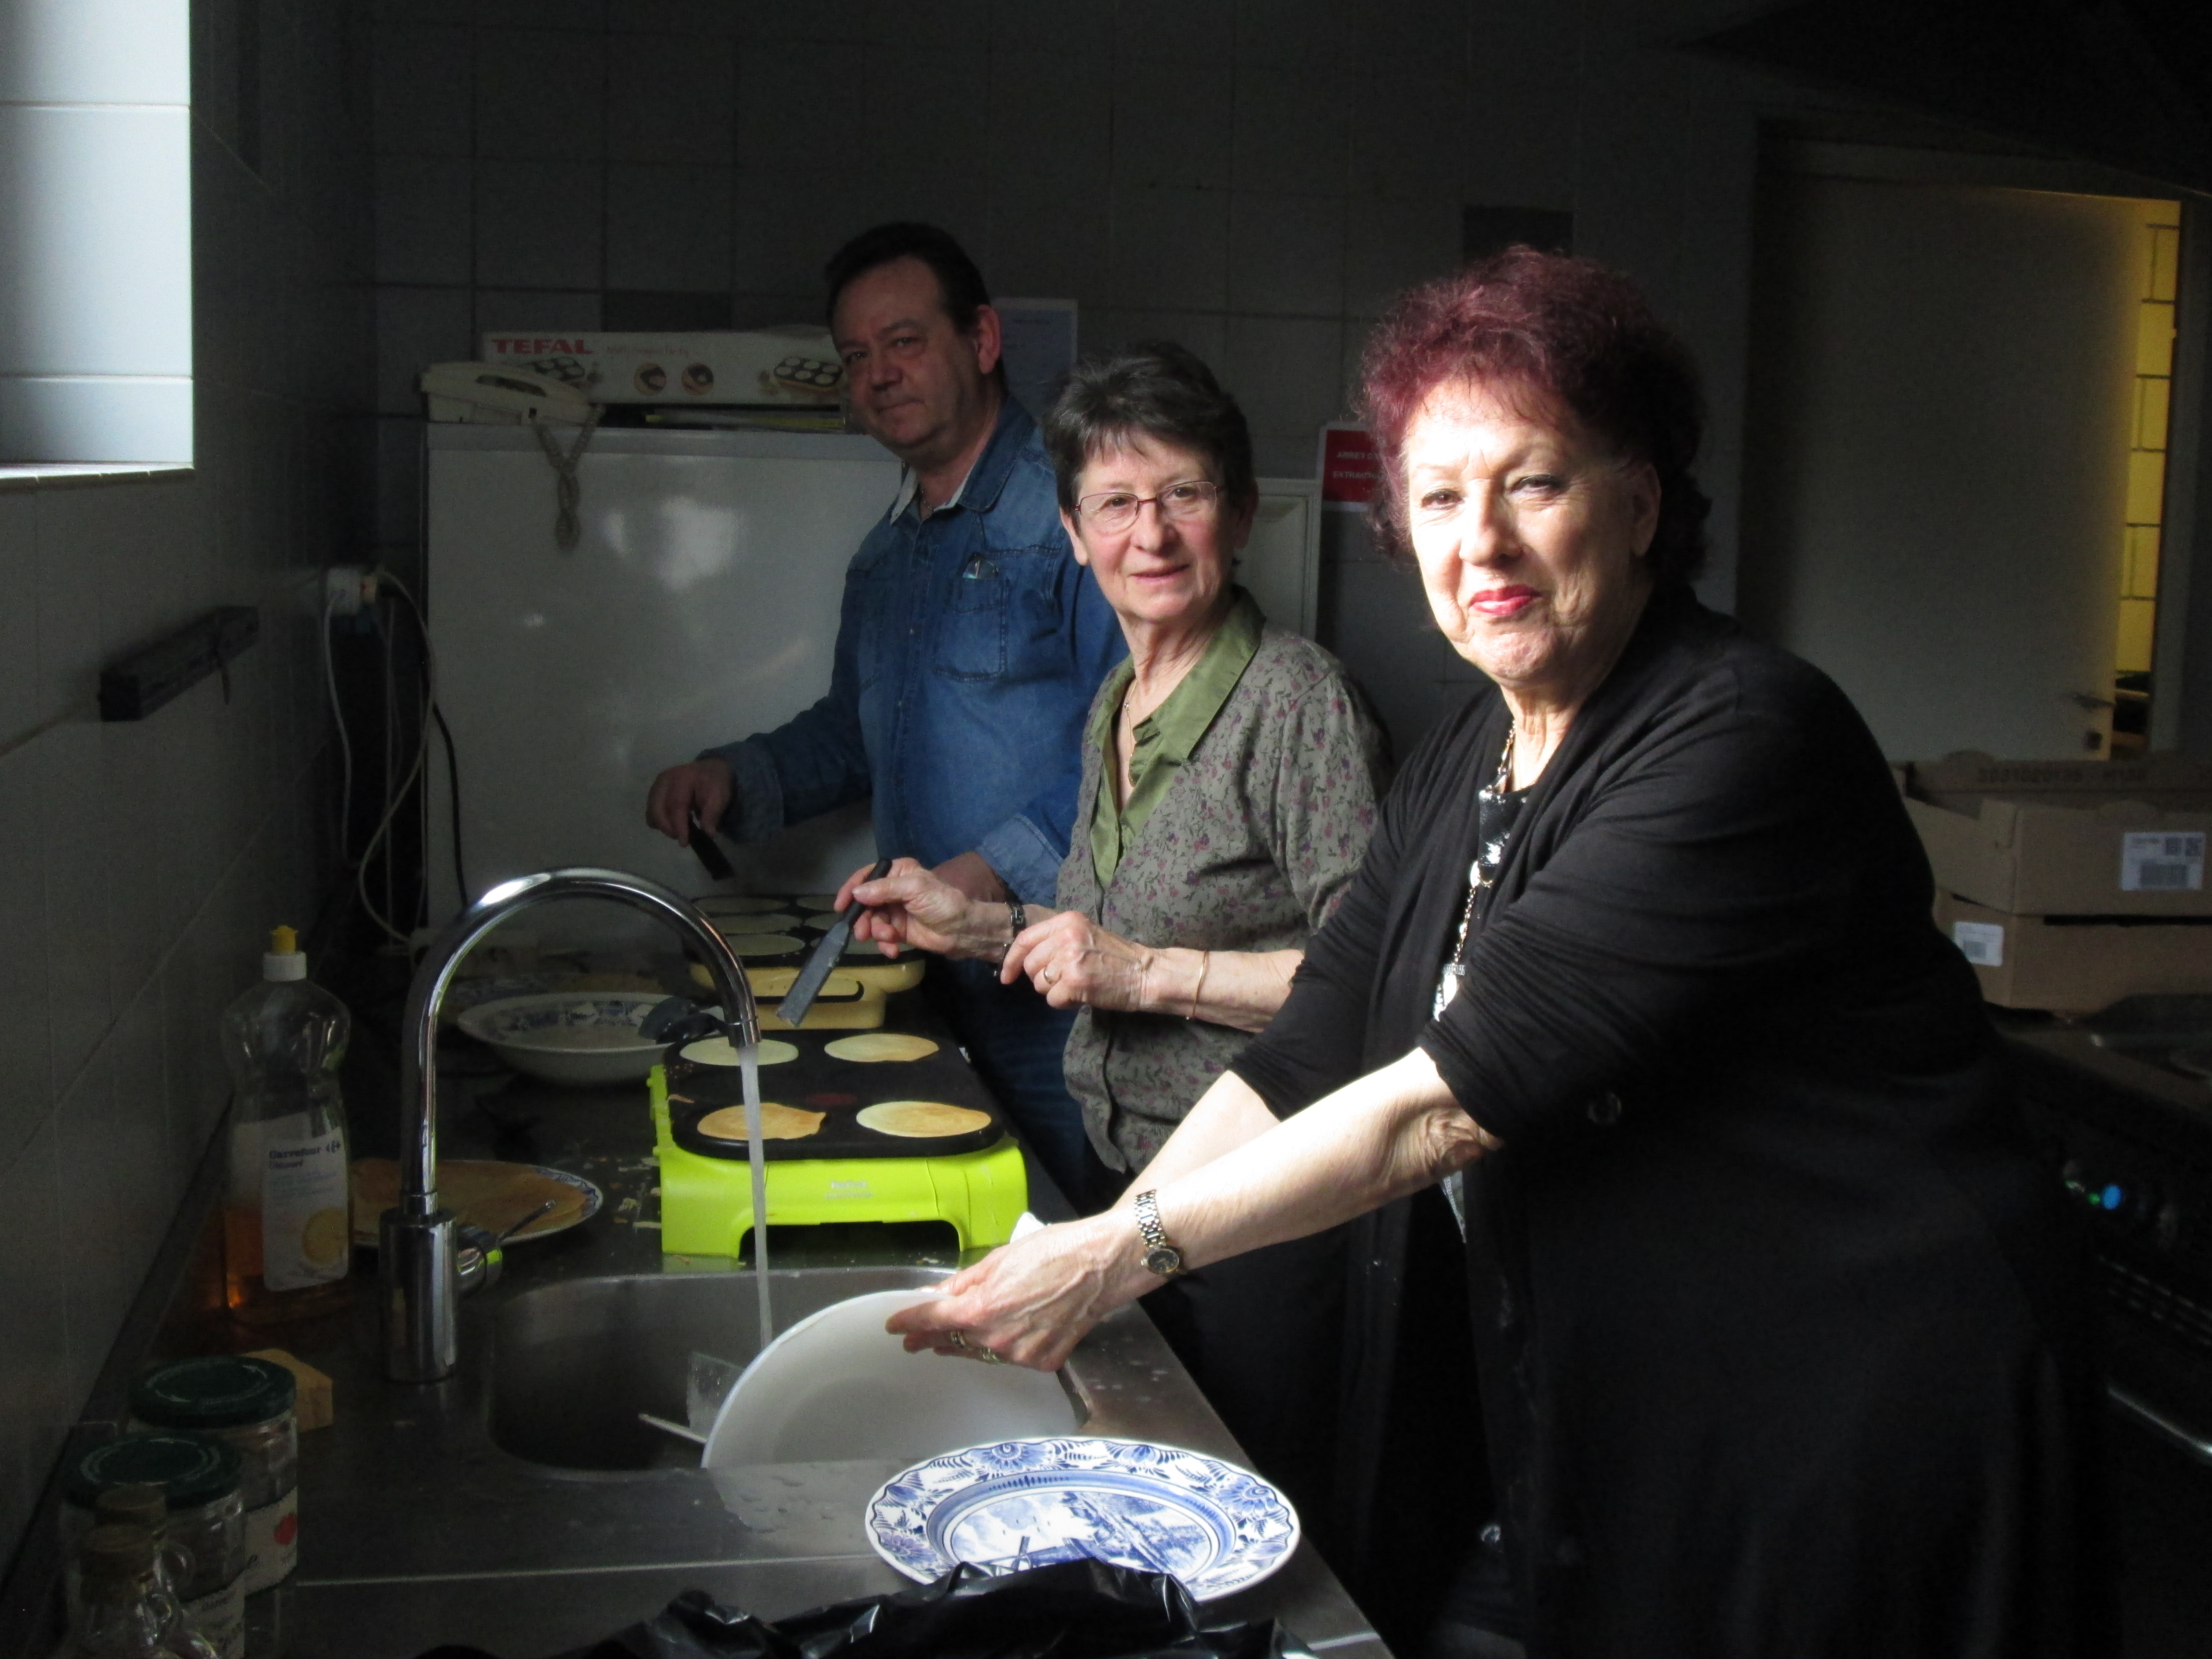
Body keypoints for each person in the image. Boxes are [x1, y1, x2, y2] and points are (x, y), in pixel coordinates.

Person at [882, 252, 2101, 1658]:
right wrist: (1101, 1244)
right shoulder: (1476, 745)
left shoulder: (1741, 736)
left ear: (1638, 505)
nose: (1485, 545)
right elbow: (1313, 1042)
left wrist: (1116, 1258)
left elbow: (1445, 1104)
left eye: (1534, 484)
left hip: (1857, 1375)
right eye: (1441, 499)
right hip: (1653, 1363)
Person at [840, 342, 1388, 1534]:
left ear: (1239, 512)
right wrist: (977, 925)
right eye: (1117, 504)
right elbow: (1109, 939)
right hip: (1125, 1188)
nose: (1151, 534)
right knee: (1147, 1514)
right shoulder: (1118, 705)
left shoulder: (1299, 703)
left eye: (1184, 494)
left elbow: (1379, 989)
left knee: (1251, 1533)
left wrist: (1145, 974)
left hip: (1257, 1221)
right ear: (1074, 531)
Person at [643, 223, 1125, 1198]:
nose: (879, 375)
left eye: (904, 342)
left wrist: (988, 871)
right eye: (856, 356)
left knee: (1074, 1240)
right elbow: (856, 732)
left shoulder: (1075, 513)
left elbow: (1135, 743)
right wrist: (736, 775)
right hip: (926, 988)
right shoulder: (889, 552)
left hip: (1064, 994)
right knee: (970, 1234)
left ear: (982, 340)